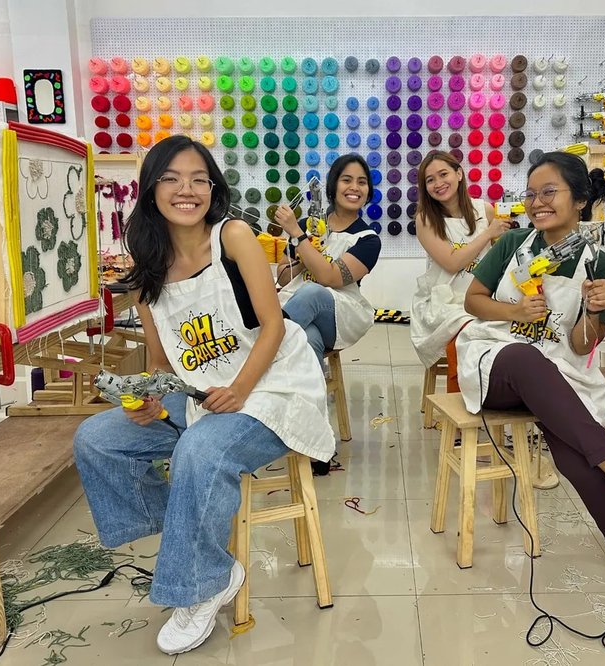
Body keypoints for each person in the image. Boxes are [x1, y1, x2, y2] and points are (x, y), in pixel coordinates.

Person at [73, 135, 334, 655]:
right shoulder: (147, 266)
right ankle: (194, 546)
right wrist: (147, 399)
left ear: (213, 188)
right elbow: (162, 362)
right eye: (170, 179)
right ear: (150, 191)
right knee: (96, 439)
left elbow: (274, 328)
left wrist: (239, 390)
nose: (185, 190)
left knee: (201, 449)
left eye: (198, 179)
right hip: (198, 390)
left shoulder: (232, 237)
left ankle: (200, 580)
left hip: (271, 387)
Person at [456, 151, 605, 593]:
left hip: (559, 369)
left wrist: (594, 309)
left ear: (581, 199)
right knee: (527, 359)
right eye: (531, 194)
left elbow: (580, 345)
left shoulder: (599, 266)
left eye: (549, 192)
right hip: (496, 361)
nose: (537, 202)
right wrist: (514, 310)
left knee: (571, 444)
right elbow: (472, 301)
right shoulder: (513, 246)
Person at [273, 154, 381, 474]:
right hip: (298, 310)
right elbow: (282, 275)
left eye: (362, 182)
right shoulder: (310, 226)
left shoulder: (367, 239)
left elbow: (331, 279)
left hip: (338, 311)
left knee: (311, 292)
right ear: (333, 186)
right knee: (306, 342)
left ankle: (267, 352)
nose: (354, 187)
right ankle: (317, 443)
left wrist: (299, 236)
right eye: (347, 180)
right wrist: (299, 245)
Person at [409, 150, 509, 377]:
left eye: (444, 174)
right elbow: (452, 263)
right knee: (468, 334)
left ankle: (493, 394)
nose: (439, 183)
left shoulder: (484, 210)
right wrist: (487, 234)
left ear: (459, 174)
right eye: (430, 180)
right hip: (445, 301)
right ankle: (459, 405)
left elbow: (500, 259)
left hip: (482, 296)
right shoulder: (424, 220)